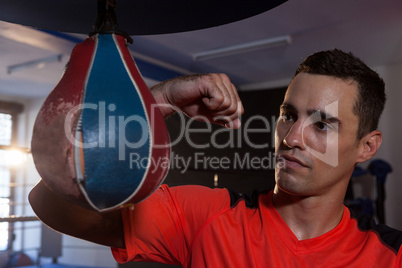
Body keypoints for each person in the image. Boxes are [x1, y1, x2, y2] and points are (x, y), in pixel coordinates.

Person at [29, 49, 402, 267]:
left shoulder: (390, 254)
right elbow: (52, 202)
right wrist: (158, 103)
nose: (291, 138)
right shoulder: (204, 216)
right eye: (289, 115)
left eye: (322, 125)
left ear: (367, 147)